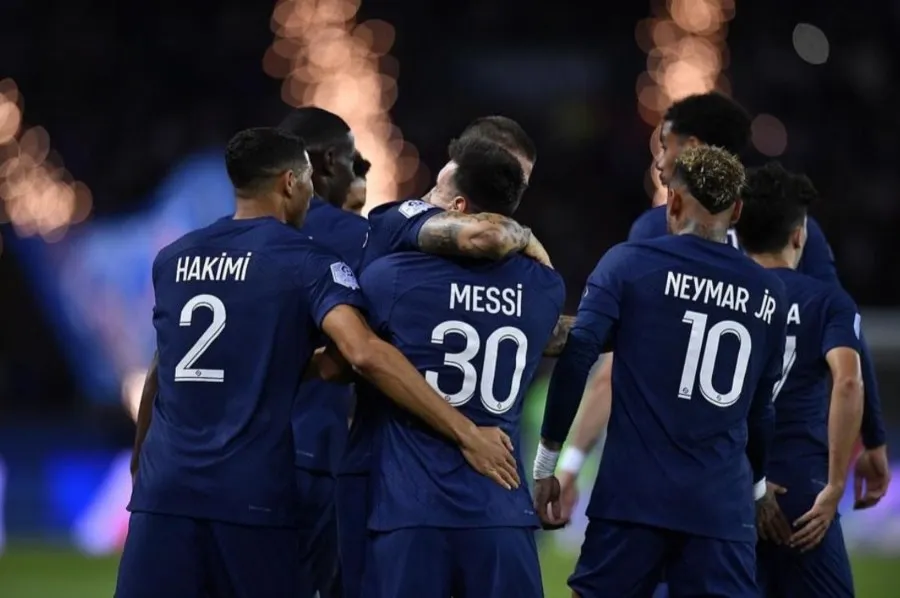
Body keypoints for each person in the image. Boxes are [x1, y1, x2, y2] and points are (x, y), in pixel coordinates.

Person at [118, 128, 518, 598]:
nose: (312, 195)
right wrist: (466, 432)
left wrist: (141, 459)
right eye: (307, 181)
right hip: (248, 497)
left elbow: (160, 369)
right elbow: (363, 354)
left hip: (163, 493)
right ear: (290, 182)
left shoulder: (174, 258)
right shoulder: (304, 260)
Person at [557, 92, 888, 525]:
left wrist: (568, 465)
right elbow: (844, 332)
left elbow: (611, 373)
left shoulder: (654, 230)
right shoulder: (788, 221)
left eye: (666, 144)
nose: (659, 160)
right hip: (778, 467)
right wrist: (874, 438)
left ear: (692, 147)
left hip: (666, 470)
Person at [276, 107, 545, 597]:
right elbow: (486, 237)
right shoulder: (397, 226)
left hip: (421, 484)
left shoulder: (392, 271)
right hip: (377, 468)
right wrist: (527, 240)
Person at [534, 145, 786, 598]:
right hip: (721, 509)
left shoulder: (628, 264)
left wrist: (548, 462)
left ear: (672, 202)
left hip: (634, 499)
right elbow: (761, 411)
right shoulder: (771, 294)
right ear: (737, 210)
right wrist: (757, 486)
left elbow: (579, 354)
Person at [358, 139, 565, 597]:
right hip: (500, 514)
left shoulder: (389, 278)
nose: (426, 200)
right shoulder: (546, 287)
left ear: (457, 207)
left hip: (411, 511)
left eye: (436, 190)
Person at [736, 162, 863, 597]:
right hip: (803, 492)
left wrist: (746, 483)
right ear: (799, 236)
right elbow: (848, 382)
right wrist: (835, 487)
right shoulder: (827, 301)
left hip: (730, 485)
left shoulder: (724, 297)